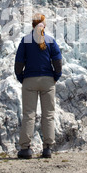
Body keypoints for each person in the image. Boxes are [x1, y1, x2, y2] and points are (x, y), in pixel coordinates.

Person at [14, 13, 62, 159]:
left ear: (32, 25)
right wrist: (56, 77)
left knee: (29, 114)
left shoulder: (25, 40)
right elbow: (58, 62)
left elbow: (19, 63)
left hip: (30, 80)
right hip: (47, 80)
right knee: (48, 114)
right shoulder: (50, 40)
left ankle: (26, 149)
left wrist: (21, 77)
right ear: (44, 25)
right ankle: (47, 148)